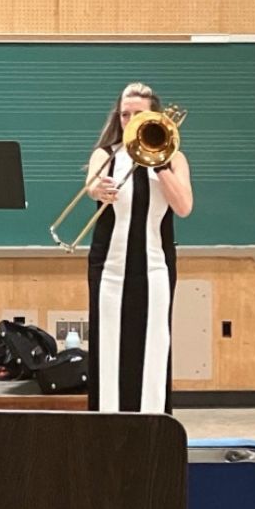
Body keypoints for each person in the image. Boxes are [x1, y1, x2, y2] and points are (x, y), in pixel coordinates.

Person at [85, 82, 194, 414]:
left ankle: (153, 424)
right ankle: (105, 424)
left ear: (155, 118)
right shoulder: (105, 155)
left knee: (155, 344)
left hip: (155, 266)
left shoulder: (174, 159)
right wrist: (97, 189)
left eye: (138, 115)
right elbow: (91, 186)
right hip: (109, 267)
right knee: (108, 344)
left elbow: (184, 206)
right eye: (124, 115)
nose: (130, 120)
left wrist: (158, 163)